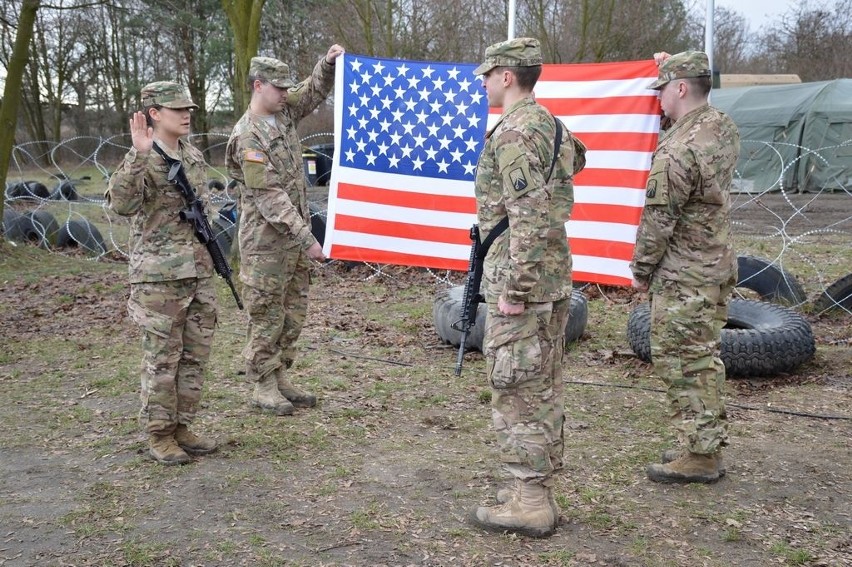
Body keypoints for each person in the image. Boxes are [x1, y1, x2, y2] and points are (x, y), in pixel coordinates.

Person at [468, 37, 584, 538]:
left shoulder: (513, 132)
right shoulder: (550, 124)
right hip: (552, 278)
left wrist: (515, 287)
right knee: (543, 387)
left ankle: (530, 499)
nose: (484, 84)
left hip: (526, 284)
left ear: (507, 76)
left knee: (517, 389)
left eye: (487, 75)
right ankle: (530, 488)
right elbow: (577, 159)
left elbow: (530, 215)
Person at [630, 50, 740, 484]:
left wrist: (641, 270)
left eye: (662, 90)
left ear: (680, 88)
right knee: (703, 356)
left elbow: (659, 220)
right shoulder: (722, 126)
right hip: (715, 265)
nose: (657, 100)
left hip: (683, 274)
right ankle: (703, 442)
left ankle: (701, 453)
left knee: (681, 359)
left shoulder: (676, 152)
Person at [226, 45, 344, 415]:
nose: (285, 94)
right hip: (266, 244)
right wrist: (307, 238)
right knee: (266, 313)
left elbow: (312, 90)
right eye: (279, 88)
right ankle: (262, 383)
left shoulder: (285, 113)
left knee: (293, 312)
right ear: (258, 86)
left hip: (293, 241)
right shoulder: (248, 136)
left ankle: (279, 376)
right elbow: (268, 195)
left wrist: (325, 64)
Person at [106, 81, 219, 465]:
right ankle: (159, 433)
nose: (187, 114)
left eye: (188, 108)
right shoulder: (142, 156)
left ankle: (182, 425)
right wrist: (138, 157)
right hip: (159, 279)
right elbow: (121, 205)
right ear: (154, 113)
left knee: (194, 356)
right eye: (177, 109)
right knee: (162, 360)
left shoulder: (192, 154)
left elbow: (204, 209)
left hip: (198, 272)